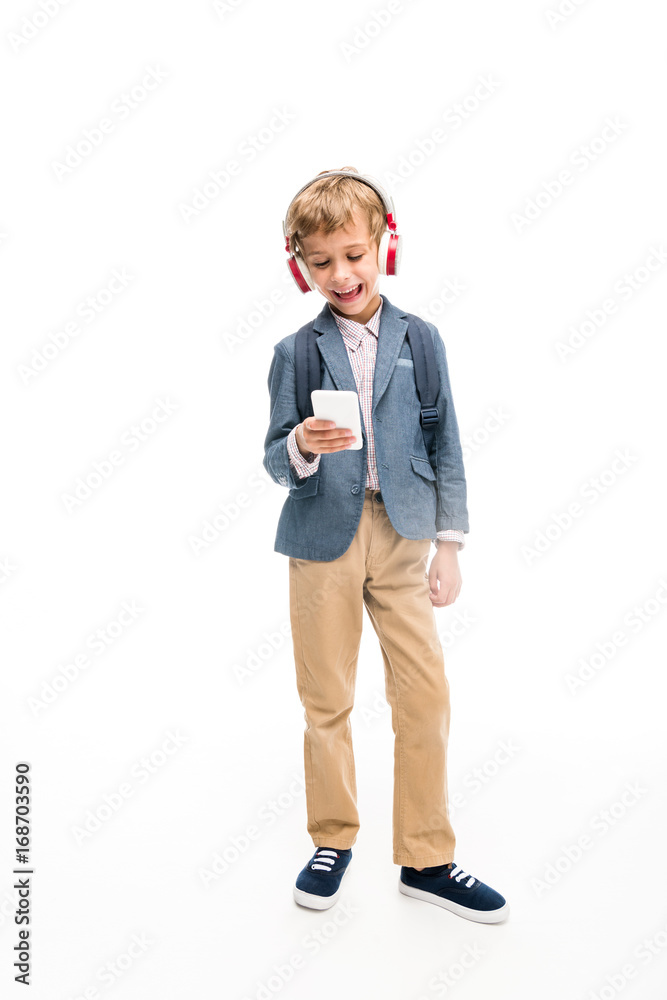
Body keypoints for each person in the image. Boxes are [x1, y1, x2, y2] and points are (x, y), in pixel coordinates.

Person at [262, 167, 509, 923]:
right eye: (321, 261)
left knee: (423, 697)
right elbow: (274, 455)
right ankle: (332, 837)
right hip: (321, 538)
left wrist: (450, 545)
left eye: (353, 254)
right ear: (298, 263)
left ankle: (427, 858)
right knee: (326, 699)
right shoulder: (295, 351)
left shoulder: (421, 340)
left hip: (403, 536)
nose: (340, 274)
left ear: (383, 248)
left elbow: (446, 445)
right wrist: (301, 442)